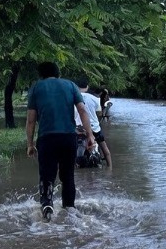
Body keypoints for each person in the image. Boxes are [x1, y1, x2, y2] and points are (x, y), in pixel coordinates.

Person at [25, 62, 96, 220]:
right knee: (68, 175)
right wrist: (90, 135)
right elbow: (82, 110)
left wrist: (30, 144)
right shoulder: (70, 85)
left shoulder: (36, 87)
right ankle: (69, 207)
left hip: (46, 138)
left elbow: (31, 120)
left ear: (41, 75)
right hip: (68, 138)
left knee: (47, 175)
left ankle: (47, 205)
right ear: (58, 73)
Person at [74, 79, 112, 169]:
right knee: (105, 149)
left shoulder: (73, 97)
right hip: (94, 128)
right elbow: (99, 113)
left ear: (76, 87)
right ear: (87, 87)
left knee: (68, 149)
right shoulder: (95, 98)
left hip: (78, 128)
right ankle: (110, 168)